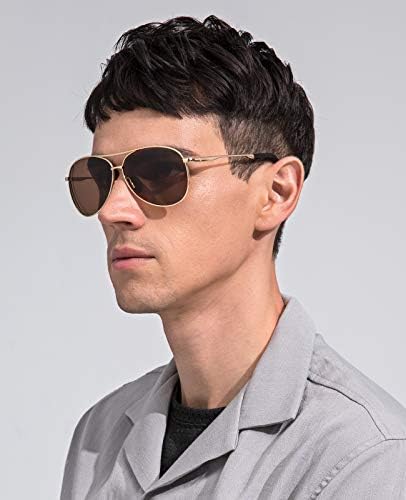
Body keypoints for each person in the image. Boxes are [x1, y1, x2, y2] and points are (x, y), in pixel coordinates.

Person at [61, 14, 406, 499]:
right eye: (98, 178)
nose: (112, 210)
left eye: (159, 172)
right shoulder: (98, 437)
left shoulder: (363, 457)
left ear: (276, 193)